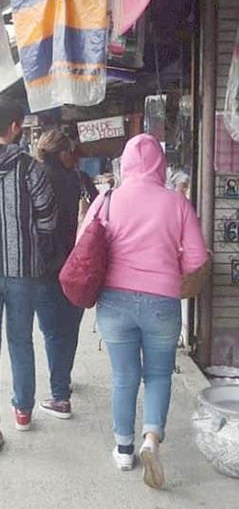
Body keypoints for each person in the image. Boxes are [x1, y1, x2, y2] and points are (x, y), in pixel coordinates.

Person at [83, 134, 208, 486]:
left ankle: (124, 449)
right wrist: (170, 263)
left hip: (114, 302)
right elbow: (197, 258)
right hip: (162, 302)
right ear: (160, 166)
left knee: (124, 376)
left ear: (125, 164)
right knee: (158, 375)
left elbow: (83, 245)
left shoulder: (107, 199)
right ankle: (151, 439)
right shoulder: (177, 203)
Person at [0, 98, 58, 448]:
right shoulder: (31, 169)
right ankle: (22, 411)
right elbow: (49, 219)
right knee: (20, 340)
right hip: (23, 270)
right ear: (15, 127)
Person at [33, 129, 98, 419]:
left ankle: (60, 396)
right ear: (62, 154)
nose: (75, 156)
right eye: (72, 151)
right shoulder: (79, 179)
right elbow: (101, 212)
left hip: (44, 267)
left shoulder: (35, 178)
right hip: (78, 265)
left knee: (52, 332)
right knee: (69, 327)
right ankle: (63, 381)